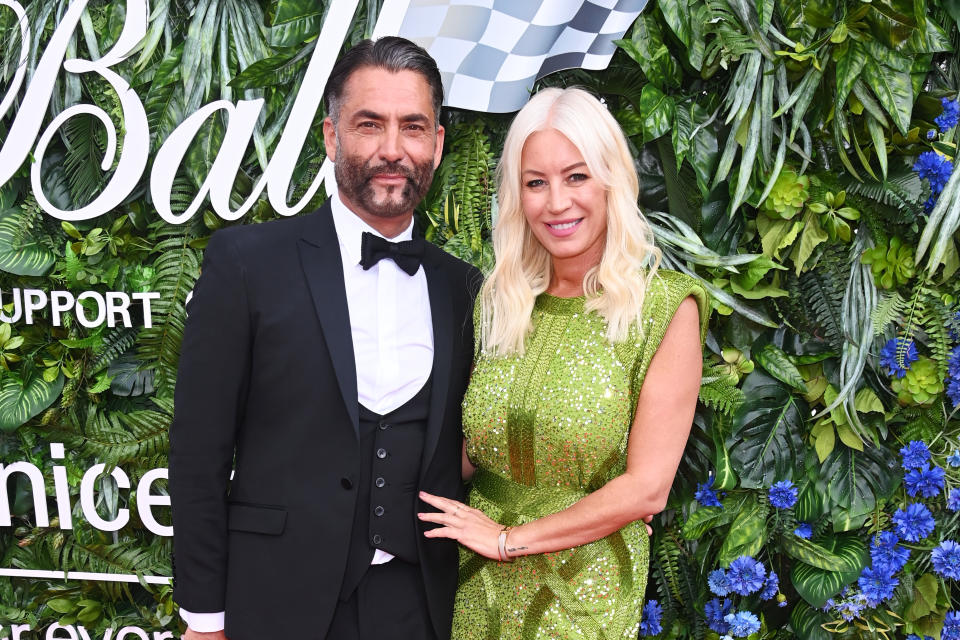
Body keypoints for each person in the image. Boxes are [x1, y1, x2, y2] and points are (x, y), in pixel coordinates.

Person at [169, 37, 482, 640]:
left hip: (420, 608)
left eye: (413, 127)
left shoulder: (464, 289)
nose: (393, 149)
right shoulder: (247, 264)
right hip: (273, 604)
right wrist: (205, 619)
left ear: (437, 146)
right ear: (332, 136)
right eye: (370, 124)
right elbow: (198, 456)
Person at [418, 87, 710, 639]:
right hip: (474, 587)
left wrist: (507, 541)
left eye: (576, 176)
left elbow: (647, 488)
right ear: (516, 195)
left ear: (611, 180)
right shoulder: (498, 304)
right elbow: (463, 451)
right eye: (536, 182)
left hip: (583, 593)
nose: (556, 203)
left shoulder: (664, 308)